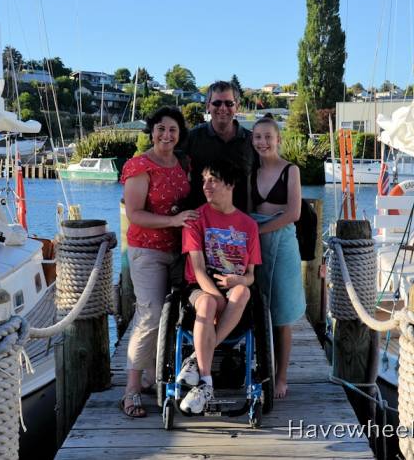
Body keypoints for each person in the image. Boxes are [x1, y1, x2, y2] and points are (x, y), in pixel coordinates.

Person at [119, 106, 198, 418]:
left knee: (173, 316)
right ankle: (131, 390)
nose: (167, 135)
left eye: (173, 130)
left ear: (180, 135)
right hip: (147, 251)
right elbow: (134, 214)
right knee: (150, 314)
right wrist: (174, 220)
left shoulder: (183, 164)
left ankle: (155, 377)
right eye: (161, 129)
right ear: (151, 131)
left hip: (178, 251)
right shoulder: (139, 166)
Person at [176, 159, 261, 414]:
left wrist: (239, 281)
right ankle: (206, 382)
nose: (206, 185)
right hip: (200, 287)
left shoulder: (248, 225)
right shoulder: (195, 219)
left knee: (243, 291)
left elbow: (251, 276)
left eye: (212, 179)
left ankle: (195, 358)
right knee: (209, 302)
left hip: (234, 289)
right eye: (204, 181)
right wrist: (216, 296)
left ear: (230, 184)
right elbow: (199, 270)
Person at [249, 116, 305, 398]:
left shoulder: (290, 170)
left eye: (268, 136)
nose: (263, 142)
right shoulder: (251, 171)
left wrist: (258, 230)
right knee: (259, 308)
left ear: (278, 139)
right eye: (258, 136)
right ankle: (262, 367)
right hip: (256, 244)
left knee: (282, 313)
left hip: (281, 241)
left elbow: (293, 213)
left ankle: (281, 377)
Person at [183, 81, 254, 211]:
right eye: (217, 103)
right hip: (200, 222)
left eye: (229, 103)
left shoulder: (252, 140)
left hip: (239, 224)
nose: (222, 108)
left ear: (237, 106)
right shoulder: (192, 138)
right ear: (208, 105)